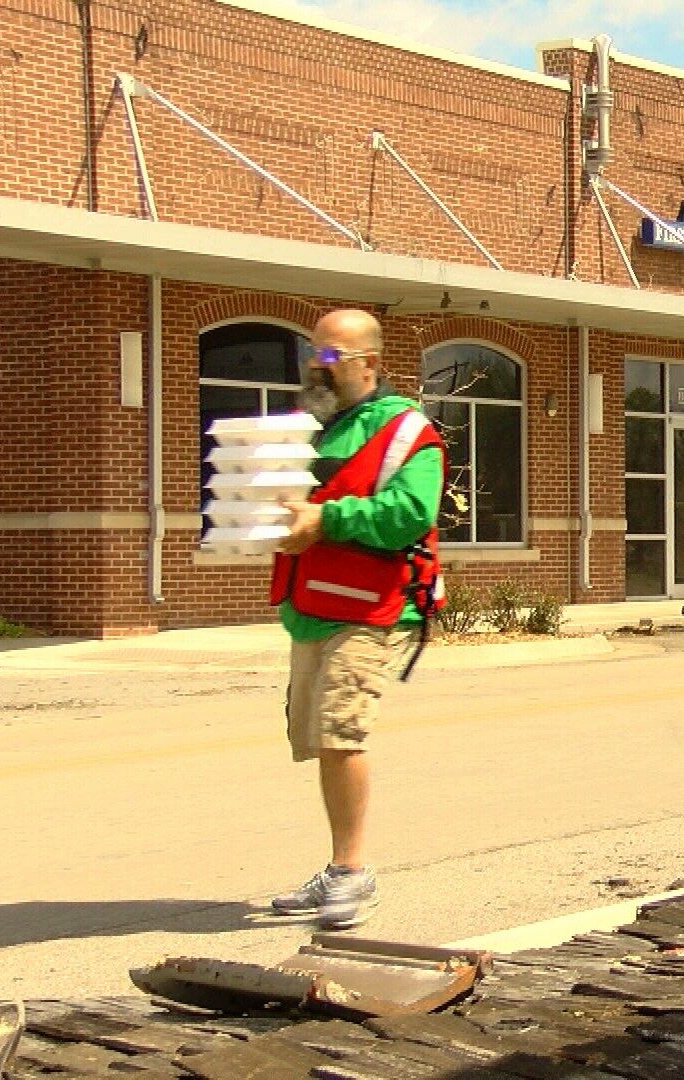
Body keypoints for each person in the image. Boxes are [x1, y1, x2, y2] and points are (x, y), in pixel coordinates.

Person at [267, 308, 445, 929]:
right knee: (320, 738)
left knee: (343, 733)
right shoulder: (310, 430)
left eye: (332, 355)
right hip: (311, 606)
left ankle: (352, 872)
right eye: (313, 352)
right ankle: (337, 868)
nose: (318, 365)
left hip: (371, 609)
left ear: (368, 364)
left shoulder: (405, 431)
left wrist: (326, 519)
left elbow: (410, 513)